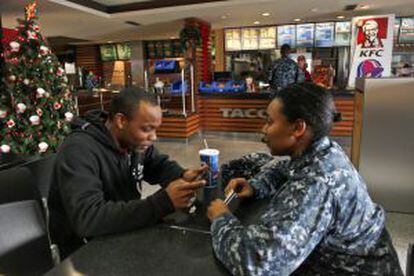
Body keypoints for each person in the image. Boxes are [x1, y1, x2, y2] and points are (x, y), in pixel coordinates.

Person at [207, 83, 403, 275]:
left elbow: (257, 265)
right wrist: (256, 186)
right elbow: (287, 168)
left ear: (298, 128)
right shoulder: (325, 151)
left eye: (270, 121)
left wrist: (221, 218)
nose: (263, 129)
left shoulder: (316, 184)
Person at [49, 87, 207, 257]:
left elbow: (157, 165)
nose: (153, 137)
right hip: (84, 252)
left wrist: (182, 175)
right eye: (147, 129)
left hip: (123, 233)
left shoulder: (134, 143)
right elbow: (88, 218)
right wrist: (162, 202)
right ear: (121, 121)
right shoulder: (78, 151)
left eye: (155, 129)